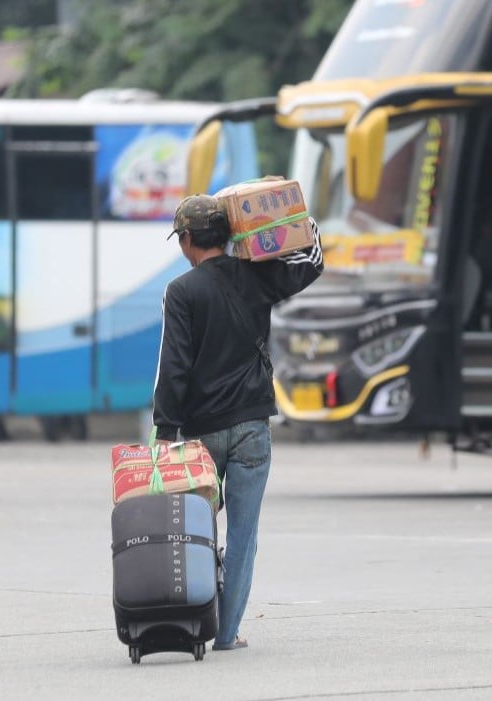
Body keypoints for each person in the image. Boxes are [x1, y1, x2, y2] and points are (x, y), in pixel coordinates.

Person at [152, 194, 322, 651]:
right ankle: (227, 635)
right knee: (244, 536)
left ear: (188, 239)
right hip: (251, 427)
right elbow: (312, 261)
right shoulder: (258, 275)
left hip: (201, 433)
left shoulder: (181, 291)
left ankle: (195, 624)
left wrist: (165, 432)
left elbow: (173, 366)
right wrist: (297, 216)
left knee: (195, 532)